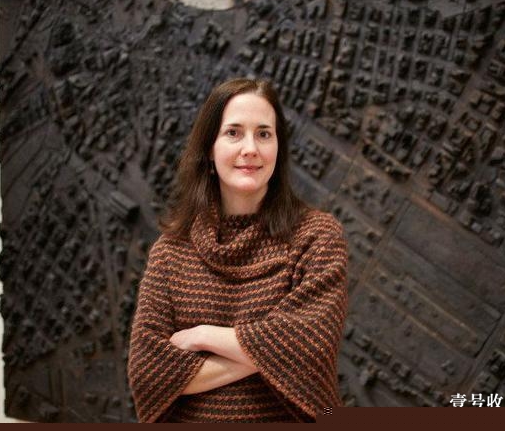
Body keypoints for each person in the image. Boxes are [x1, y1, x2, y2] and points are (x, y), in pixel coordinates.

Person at [127, 77, 348, 422]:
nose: (250, 148)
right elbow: (148, 374)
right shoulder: (170, 251)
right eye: (233, 133)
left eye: (264, 134)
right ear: (209, 149)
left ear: (278, 148)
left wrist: (204, 337)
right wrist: (276, 351)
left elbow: (310, 349)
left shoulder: (317, 237)